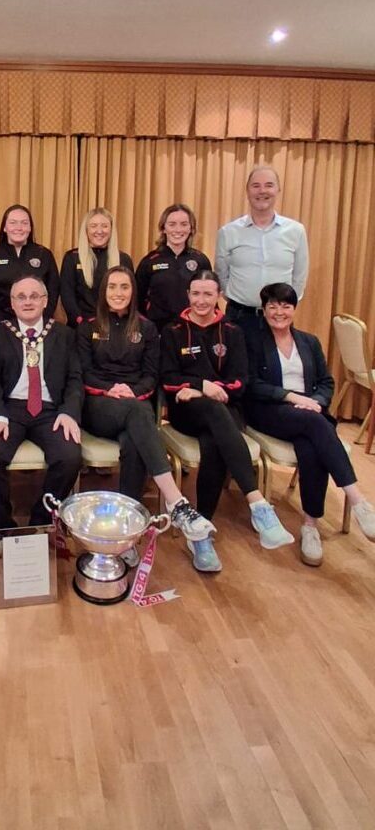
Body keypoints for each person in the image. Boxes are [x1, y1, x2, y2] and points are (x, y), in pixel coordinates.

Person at [160, 270, 294, 572]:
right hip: (186, 411)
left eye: (208, 294)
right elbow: (167, 378)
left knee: (214, 441)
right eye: (196, 293)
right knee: (214, 415)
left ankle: (200, 536)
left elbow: (240, 381)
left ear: (218, 296)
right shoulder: (172, 331)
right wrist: (201, 386)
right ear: (188, 295)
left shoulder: (233, 331)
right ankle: (258, 503)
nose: (201, 300)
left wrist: (208, 389)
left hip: (226, 407)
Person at [78, 266, 215, 548]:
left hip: (134, 403)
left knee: (134, 440)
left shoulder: (147, 328)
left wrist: (133, 391)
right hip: (98, 405)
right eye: (112, 287)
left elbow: (152, 376)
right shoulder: (87, 326)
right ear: (103, 291)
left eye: (124, 287)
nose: (118, 293)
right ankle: (176, 502)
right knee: (139, 413)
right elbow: (83, 373)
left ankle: (126, 533)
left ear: (133, 291)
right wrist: (110, 389)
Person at [244, 282, 375, 566]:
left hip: (308, 413)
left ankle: (310, 526)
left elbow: (327, 382)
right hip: (269, 410)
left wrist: (315, 400)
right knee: (317, 424)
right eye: (272, 306)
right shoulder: (253, 341)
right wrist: (292, 397)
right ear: (264, 310)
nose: (279, 312)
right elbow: (251, 384)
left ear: (294, 309)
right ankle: (358, 501)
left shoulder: (309, 342)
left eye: (285, 306)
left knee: (311, 446)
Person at [0, 274, 81, 565]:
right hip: (8, 409)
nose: (27, 302)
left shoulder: (64, 334)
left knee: (69, 456)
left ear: (45, 301)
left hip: (50, 411)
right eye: (20, 297)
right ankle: (3, 532)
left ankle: (40, 524)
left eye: (34, 296)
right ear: (12, 303)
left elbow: (75, 379)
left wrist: (69, 411)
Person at [215, 165, 309, 339]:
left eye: (269, 185)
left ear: (278, 189)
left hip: (279, 319)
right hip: (239, 317)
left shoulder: (296, 231)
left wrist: (283, 307)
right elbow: (221, 274)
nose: (262, 191)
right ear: (247, 191)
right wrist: (238, 299)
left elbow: (299, 276)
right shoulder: (228, 232)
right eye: (256, 185)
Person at [0, 204, 59, 329]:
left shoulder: (44, 254)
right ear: (4, 228)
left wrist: (37, 321)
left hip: (36, 325)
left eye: (24, 223)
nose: (19, 228)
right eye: (13, 223)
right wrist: (4, 325)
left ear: (30, 227)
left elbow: (53, 293)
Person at [135, 204, 211, 331]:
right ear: (163, 228)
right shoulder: (149, 262)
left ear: (191, 229)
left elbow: (210, 297)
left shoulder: (201, 260)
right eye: (172, 224)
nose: (178, 229)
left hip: (192, 330)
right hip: (158, 331)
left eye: (184, 224)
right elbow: (138, 300)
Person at [60, 207, 134, 327]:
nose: (99, 231)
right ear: (86, 230)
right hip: (81, 326)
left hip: (115, 327)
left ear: (111, 229)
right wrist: (82, 323)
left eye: (104, 226)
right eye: (93, 226)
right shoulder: (72, 258)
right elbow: (67, 295)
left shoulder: (124, 259)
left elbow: (130, 296)